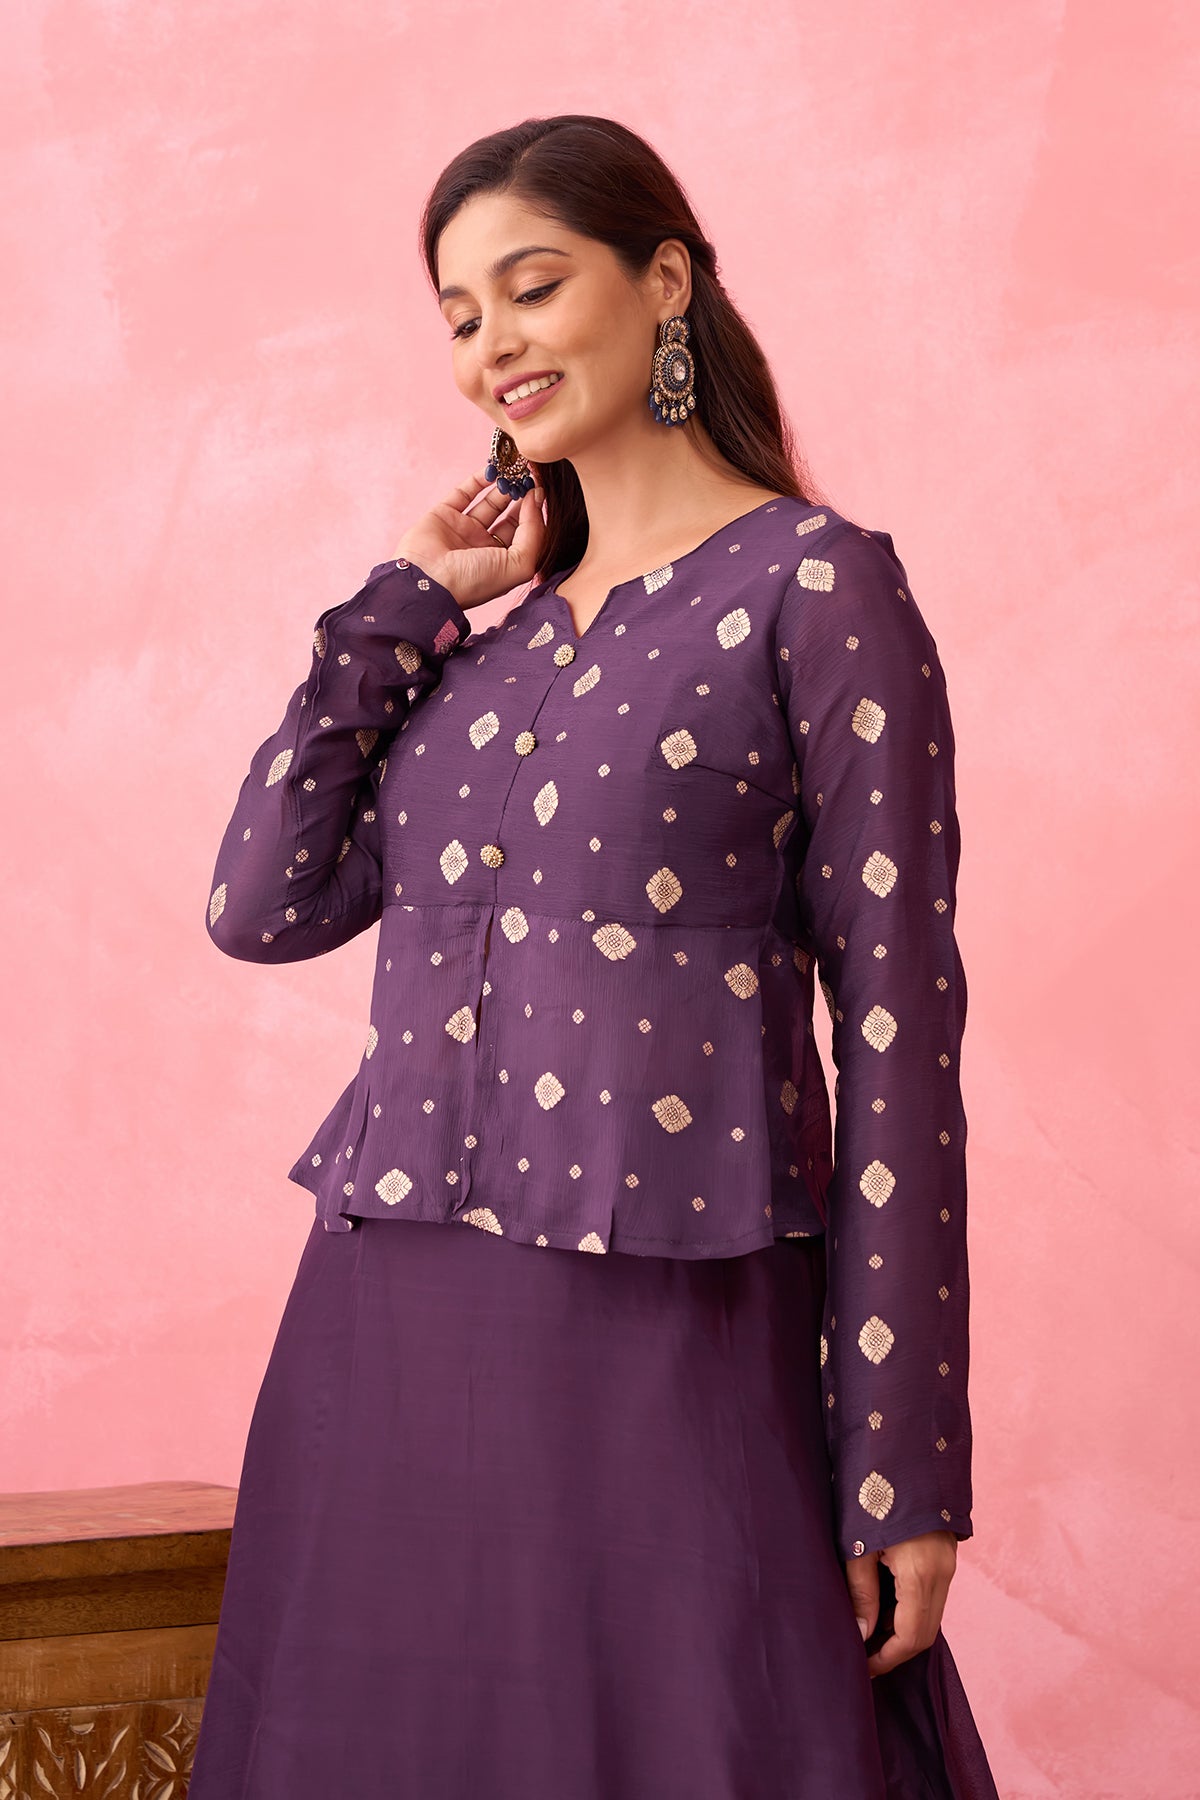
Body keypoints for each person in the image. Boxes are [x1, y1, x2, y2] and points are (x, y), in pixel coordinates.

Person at [188, 114, 998, 1799]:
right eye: (459, 315)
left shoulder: (815, 587)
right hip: (387, 1340)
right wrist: (406, 598)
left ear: (666, 281)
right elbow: (259, 903)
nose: (493, 342)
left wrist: (904, 1463)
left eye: (532, 286)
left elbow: (901, 1033)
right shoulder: (472, 650)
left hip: (671, 1341)